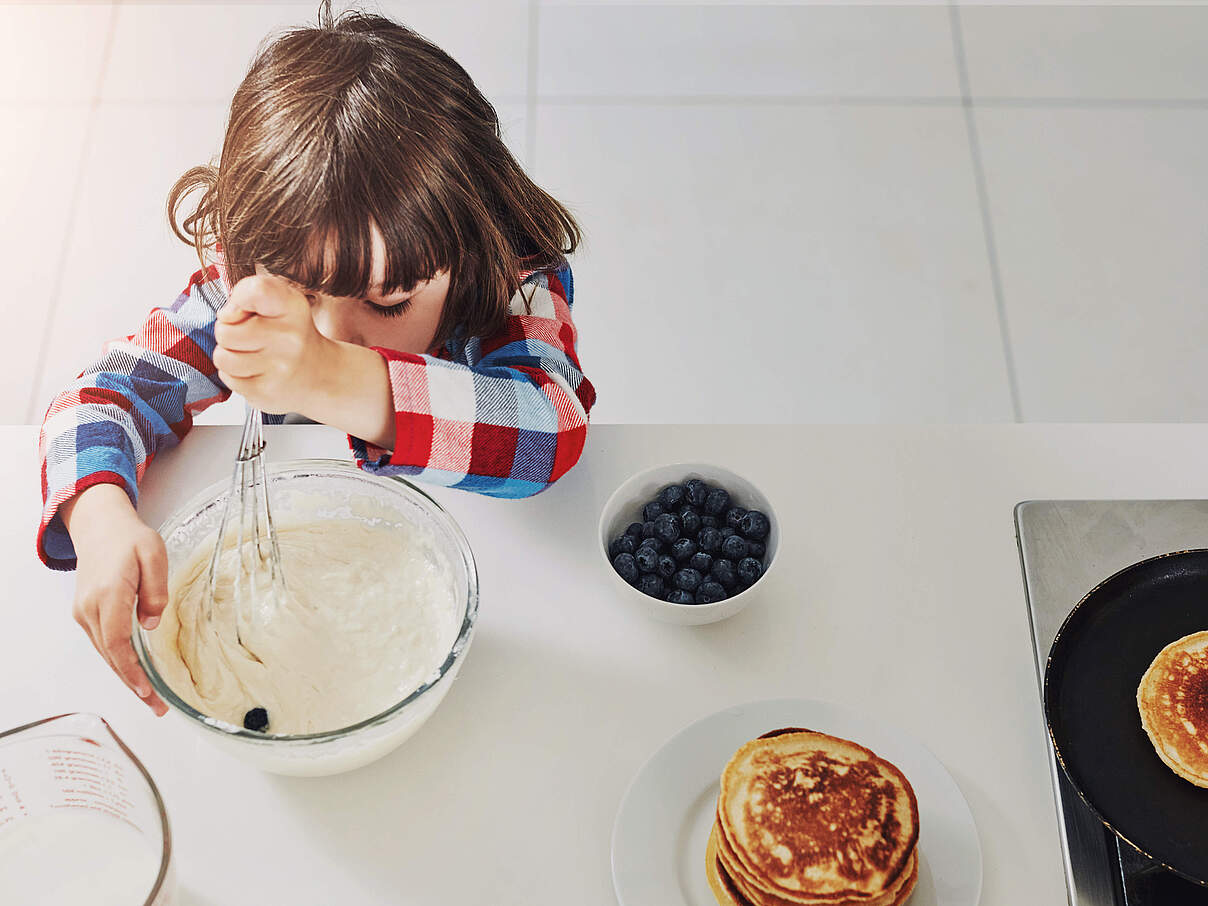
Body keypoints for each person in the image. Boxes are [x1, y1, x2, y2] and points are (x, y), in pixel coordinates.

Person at [35, 6, 595, 716]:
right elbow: (97, 400)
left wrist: (330, 375)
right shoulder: (244, 293)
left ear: (472, 235)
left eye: (388, 304)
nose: (329, 330)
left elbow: (549, 433)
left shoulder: (511, 279)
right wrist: (100, 517)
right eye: (300, 295)